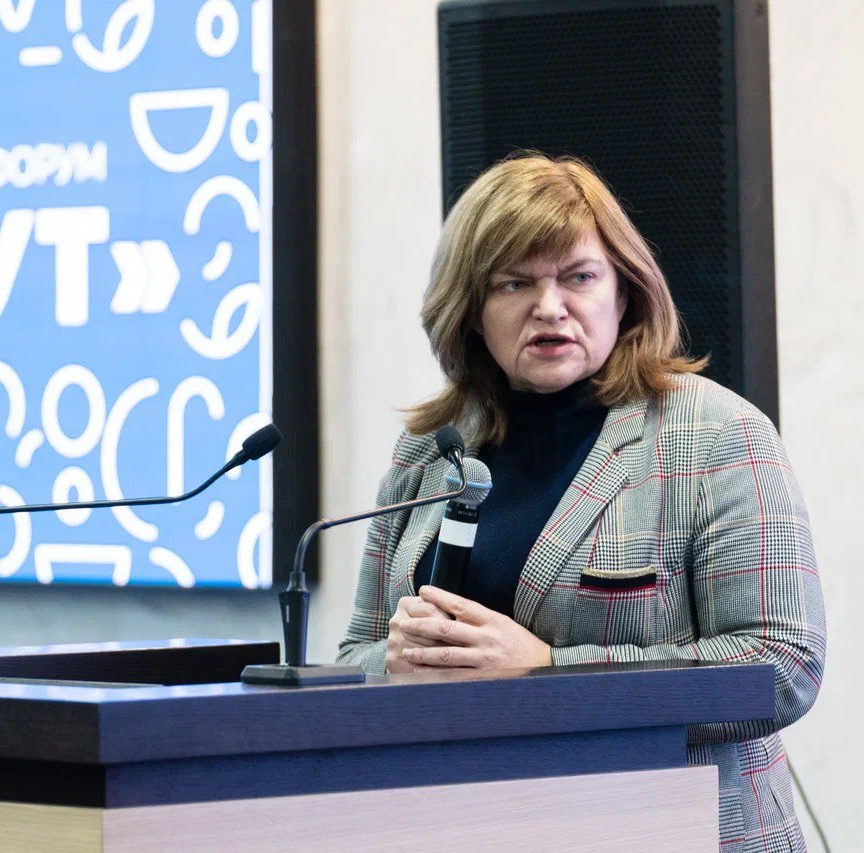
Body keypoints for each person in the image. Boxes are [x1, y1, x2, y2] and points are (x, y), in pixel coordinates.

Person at [336, 154, 826, 851]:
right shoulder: (430, 449)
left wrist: (544, 671)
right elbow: (356, 650)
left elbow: (782, 665)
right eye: (514, 283)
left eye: (578, 277)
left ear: (624, 293)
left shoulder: (718, 435)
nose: (549, 306)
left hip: (673, 830)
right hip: (470, 827)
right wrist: (394, 667)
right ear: (471, 310)